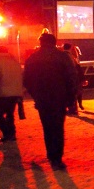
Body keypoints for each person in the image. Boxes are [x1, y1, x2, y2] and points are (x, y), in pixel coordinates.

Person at [23, 33, 78, 170]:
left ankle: (51, 155)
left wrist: (35, 94)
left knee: (47, 127)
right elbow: (72, 78)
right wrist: (71, 98)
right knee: (58, 127)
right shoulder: (63, 57)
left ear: (41, 42)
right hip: (60, 98)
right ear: (54, 42)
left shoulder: (33, 58)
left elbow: (26, 80)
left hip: (42, 98)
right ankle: (57, 157)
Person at [0, 46, 23, 142]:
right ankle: (11, 134)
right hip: (15, 92)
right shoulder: (15, 62)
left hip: (1, 93)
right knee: (10, 114)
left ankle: (7, 133)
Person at [63, 43, 85, 115]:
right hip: (72, 77)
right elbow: (76, 66)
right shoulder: (71, 56)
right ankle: (73, 109)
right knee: (74, 93)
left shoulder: (61, 55)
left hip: (64, 78)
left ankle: (69, 108)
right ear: (70, 48)